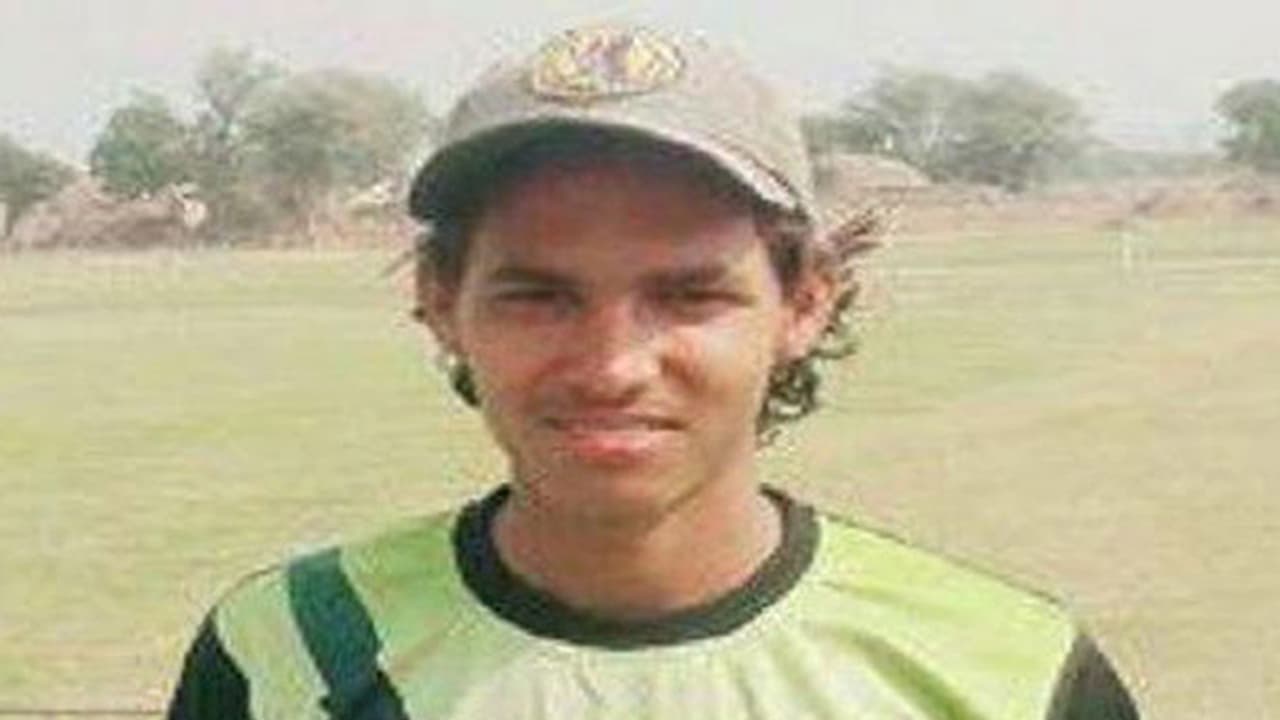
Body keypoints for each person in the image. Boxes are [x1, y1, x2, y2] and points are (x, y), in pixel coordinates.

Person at [166, 24, 1140, 719]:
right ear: (440, 303)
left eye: (688, 295)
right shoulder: (290, 650)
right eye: (539, 296)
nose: (612, 365)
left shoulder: (1002, 674)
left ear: (804, 303)